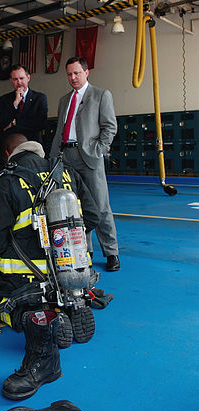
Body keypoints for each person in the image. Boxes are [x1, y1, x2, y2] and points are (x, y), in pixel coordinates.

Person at [0, 133, 100, 401]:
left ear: (8, 155)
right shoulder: (67, 173)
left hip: (27, 275)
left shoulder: (9, 180)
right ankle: (74, 304)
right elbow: (92, 216)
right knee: (66, 284)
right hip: (72, 267)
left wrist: (12, 247)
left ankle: (32, 315)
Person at [50, 56, 120, 272]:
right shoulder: (64, 100)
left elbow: (110, 127)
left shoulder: (101, 95)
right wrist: (53, 157)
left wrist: (98, 151)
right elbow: (60, 131)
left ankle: (111, 252)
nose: (73, 77)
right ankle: (85, 251)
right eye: (69, 74)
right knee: (74, 208)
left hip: (89, 158)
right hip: (66, 157)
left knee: (100, 207)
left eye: (76, 73)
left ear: (86, 72)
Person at [0, 64, 47, 143]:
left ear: (28, 78)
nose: (19, 82)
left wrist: (14, 123)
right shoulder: (4, 99)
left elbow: (41, 123)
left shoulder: (39, 98)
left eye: (21, 78)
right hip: (11, 145)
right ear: (11, 80)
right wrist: (15, 103)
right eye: (15, 79)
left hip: (32, 144)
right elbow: (0, 122)